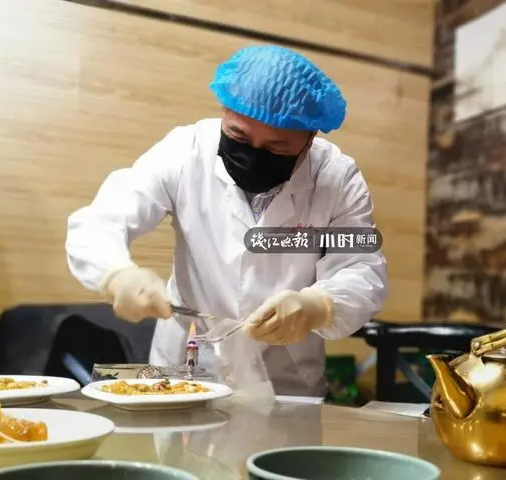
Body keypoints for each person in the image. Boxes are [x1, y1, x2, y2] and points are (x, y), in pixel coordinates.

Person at [65, 44, 388, 396]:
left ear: (310, 139)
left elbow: (362, 268)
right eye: (238, 137)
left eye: (276, 148)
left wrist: (318, 306)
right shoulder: (187, 150)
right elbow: (102, 218)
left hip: (285, 378)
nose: (253, 156)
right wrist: (116, 275)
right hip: (185, 367)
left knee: (278, 434)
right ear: (224, 111)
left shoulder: (337, 179)